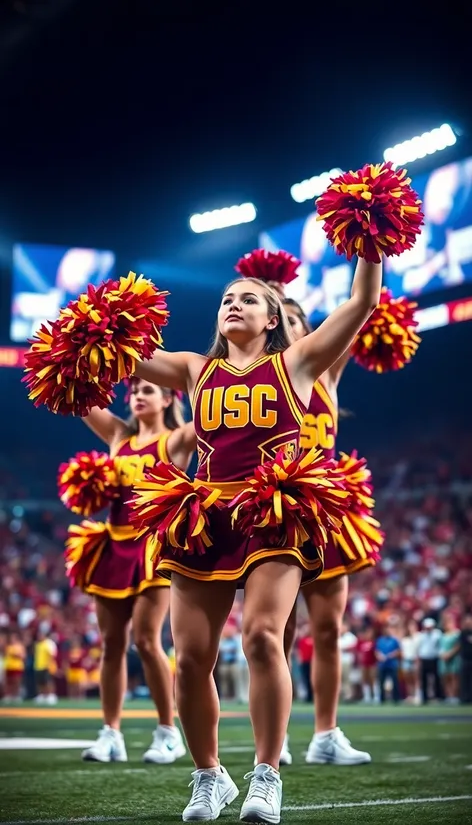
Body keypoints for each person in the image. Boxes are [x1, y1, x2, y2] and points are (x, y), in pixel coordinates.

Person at [134, 256, 381, 823]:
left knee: (263, 637)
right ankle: (209, 776)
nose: (232, 304)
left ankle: (266, 776)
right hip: (204, 516)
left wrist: (371, 243)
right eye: (226, 299)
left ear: (272, 318)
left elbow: (361, 303)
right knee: (191, 658)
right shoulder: (195, 370)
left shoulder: (297, 362)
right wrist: (94, 326)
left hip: (272, 511)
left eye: (247, 299)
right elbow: (124, 355)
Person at [268, 290, 373, 766]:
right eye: (281, 318)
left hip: (327, 512)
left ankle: (326, 734)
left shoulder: (326, 371)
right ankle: (279, 734)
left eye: (296, 318)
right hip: (279, 511)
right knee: (278, 632)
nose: (288, 324)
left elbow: (361, 306)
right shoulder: (265, 376)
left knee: (328, 629)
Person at [71, 378, 196, 763]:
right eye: (135, 390)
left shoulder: (175, 441)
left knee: (146, 638)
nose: (138, 396)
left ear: (168, 397)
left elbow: (214, 417)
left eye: (147, 390)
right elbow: (78, 398)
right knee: (111, 644)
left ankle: (168, 732)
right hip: (113, 544)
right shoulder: (118, 435)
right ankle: (111, 733)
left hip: (153, 547)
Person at [375, 624, 401, 703]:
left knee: (395, 681)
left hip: (392, 664)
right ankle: (382, 699)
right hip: (382, 664)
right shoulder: (380, 640)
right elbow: (376, 651)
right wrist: (380, 656)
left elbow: (399, 651)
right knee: (381, 682)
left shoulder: (394, 640)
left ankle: (396, 699)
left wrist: (392, 655)